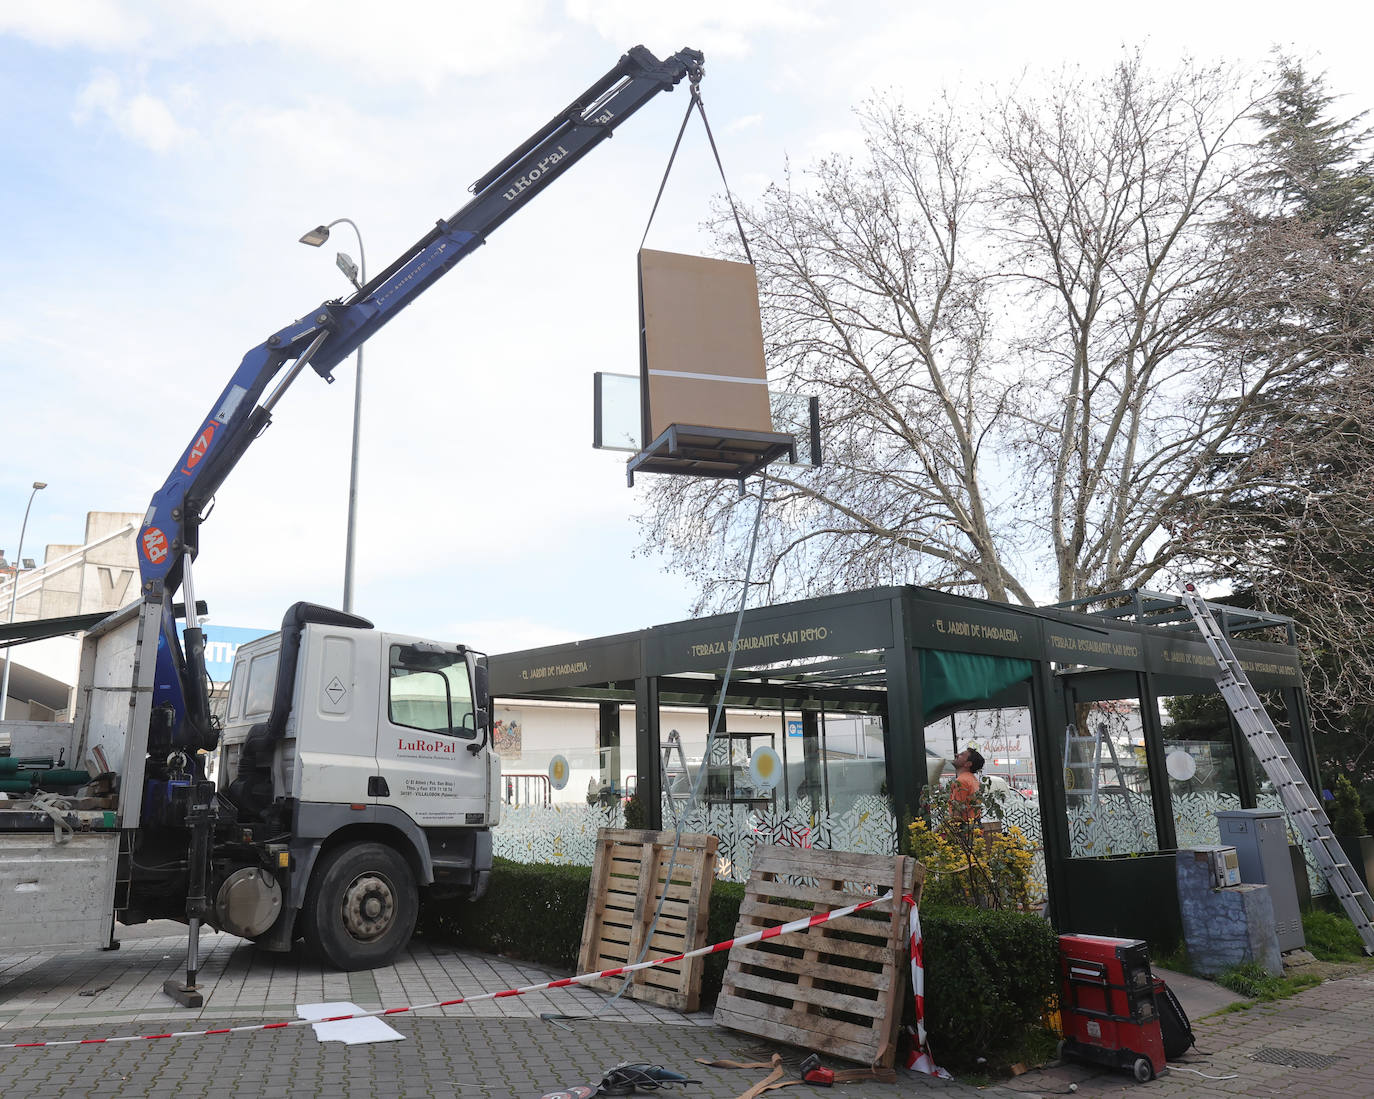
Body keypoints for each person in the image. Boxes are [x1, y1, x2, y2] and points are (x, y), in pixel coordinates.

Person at [949, 747, 985, 823]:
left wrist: (936, 831)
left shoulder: (961, 781)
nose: (956, 755)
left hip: (963, 831)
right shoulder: (973, 780)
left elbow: (956, 815)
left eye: (961, 755)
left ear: (968, 764)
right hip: (973, 829)